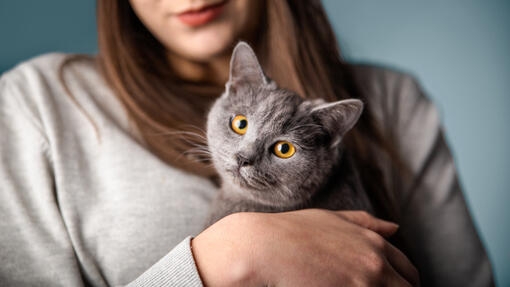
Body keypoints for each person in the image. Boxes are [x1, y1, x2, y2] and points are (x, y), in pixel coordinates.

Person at [0, 0, 494, 286]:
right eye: (239, 128)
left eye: (281, 149)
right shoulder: (40, 103)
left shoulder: (392, 100)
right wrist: (214, 265)